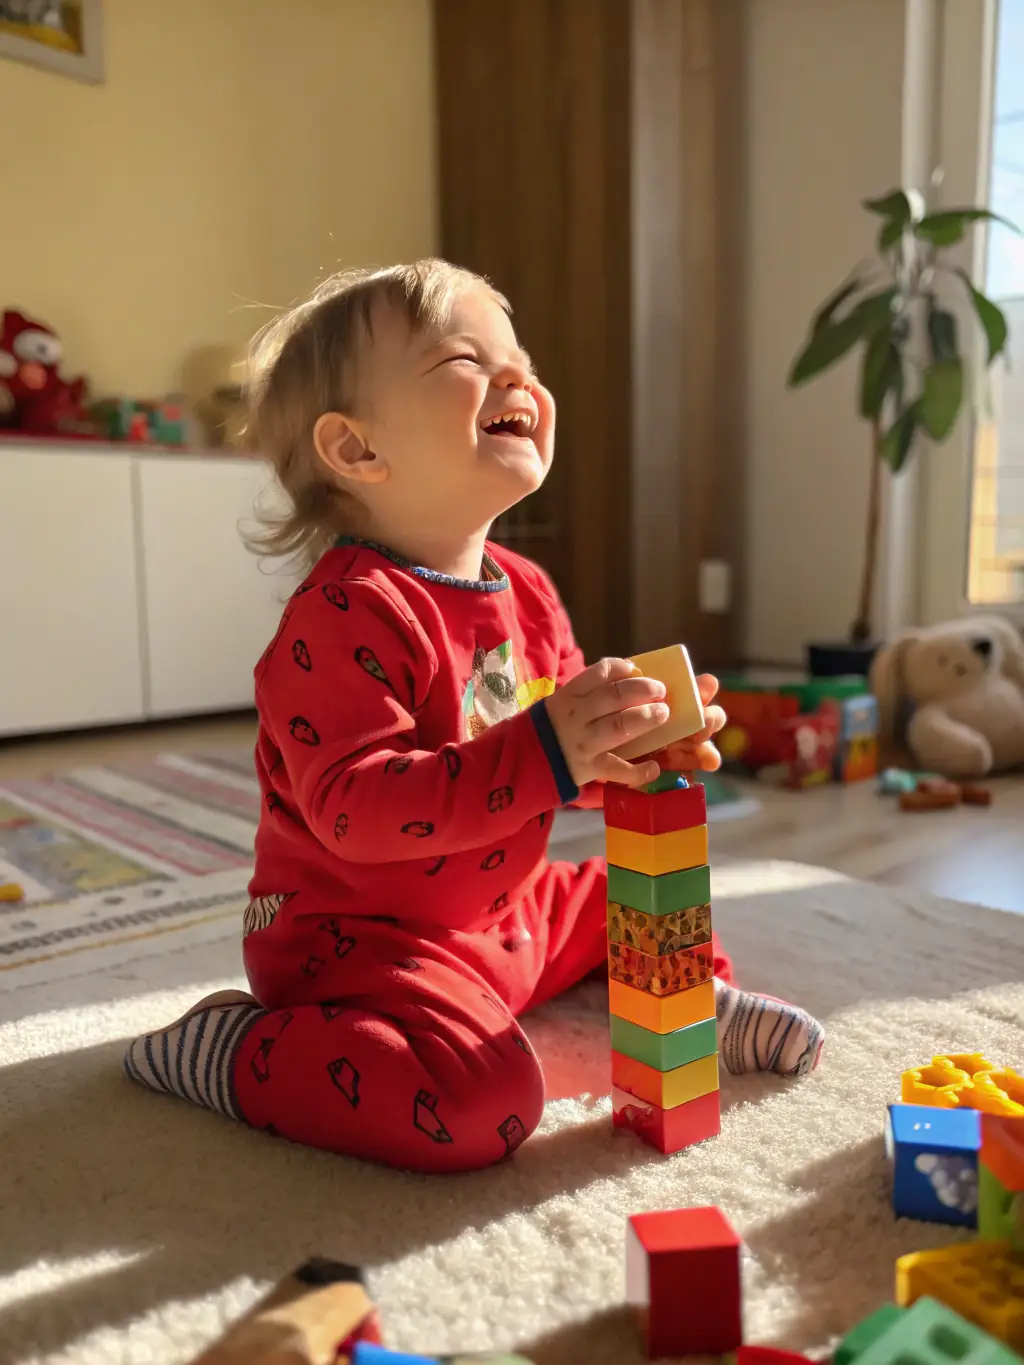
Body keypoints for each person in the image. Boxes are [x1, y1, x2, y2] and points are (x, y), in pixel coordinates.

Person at [125, 261, 825, 1172]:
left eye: (521, 359)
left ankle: (683, 1004)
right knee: (476, 1107)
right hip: (362, 942)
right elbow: (355, 809)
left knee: (629, 891)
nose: (518, 379)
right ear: (358, 451)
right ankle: (234, 1052)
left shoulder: (526, 590)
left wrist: (626, 748)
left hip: (503, 912)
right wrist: (551, 748)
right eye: (467, 358)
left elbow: (556, 771)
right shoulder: (347, 613)